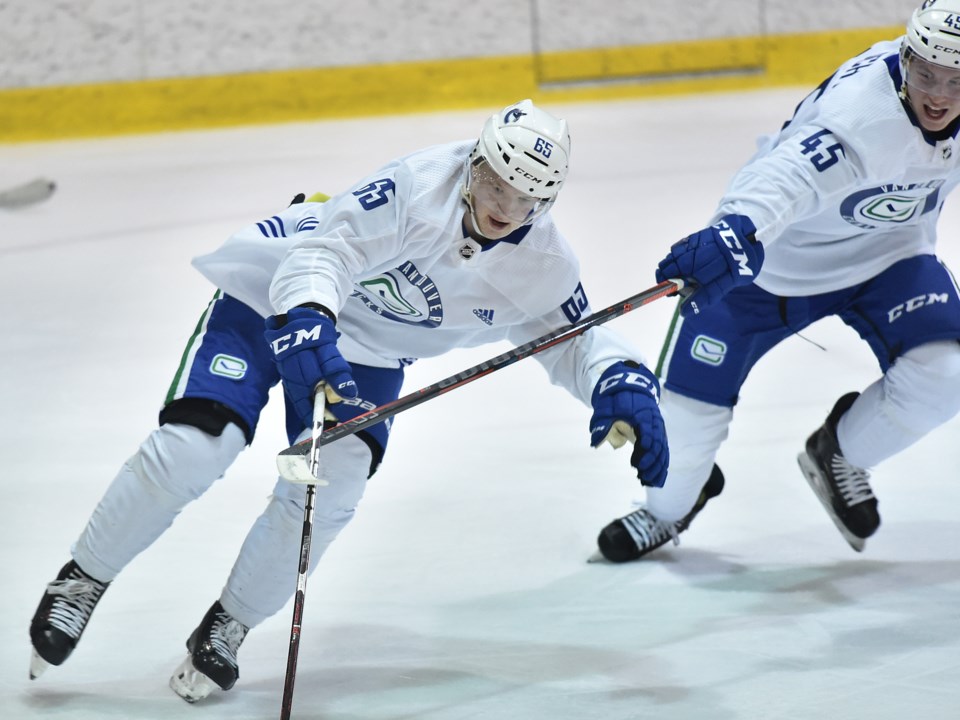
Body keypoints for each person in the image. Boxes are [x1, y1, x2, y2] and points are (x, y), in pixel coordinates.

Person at [29, 99, 670, 701]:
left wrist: (621, 380)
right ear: (477, 161)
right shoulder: (415, 188)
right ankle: (82, 578)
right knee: (197, 446)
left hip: (366, 351)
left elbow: (573, 339)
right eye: (498, 183)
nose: (507, 205)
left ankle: (231, 622)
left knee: (328, 491)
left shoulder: (542, 261)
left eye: (528, 197)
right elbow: (325, 253)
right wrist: (308, 314)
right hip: (276, 297)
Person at [596, 0, 960, 563]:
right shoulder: (862, 117)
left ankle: (838, 452)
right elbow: (785, 176)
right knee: (677, 455)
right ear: (906, 56)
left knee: (947, 376)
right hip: (768, 268)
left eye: (957, 81)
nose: (937, 95)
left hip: (890, 257)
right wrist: (734, 229)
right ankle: (670, 510)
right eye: (925, 73)